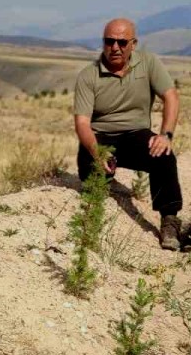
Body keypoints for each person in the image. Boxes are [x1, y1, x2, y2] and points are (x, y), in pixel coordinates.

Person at [72, 18, 184, 250]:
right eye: (109, 41)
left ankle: (169, 221)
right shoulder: (87, 76)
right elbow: (82, 122)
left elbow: (171, 96)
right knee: (89, 167)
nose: (115, 47)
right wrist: (97, 152)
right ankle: (104, 183)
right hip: (101, 136)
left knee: (163, 155)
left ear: (133, 44)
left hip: (136, 135)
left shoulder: (149, 63)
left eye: (122, 42)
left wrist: (166, 135)